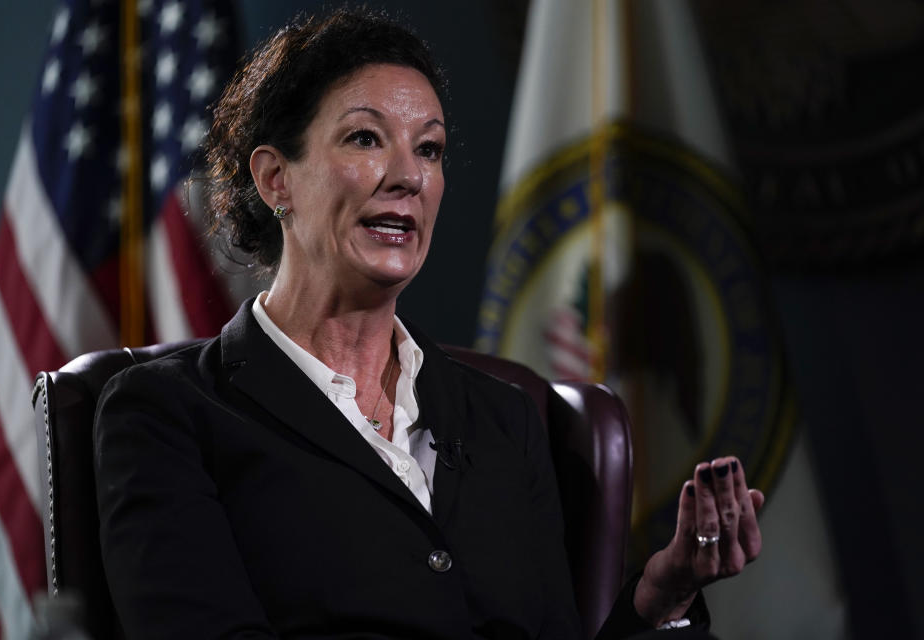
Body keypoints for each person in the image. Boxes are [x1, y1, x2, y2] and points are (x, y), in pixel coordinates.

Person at [94, 8, 763, 639]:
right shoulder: (163, 414)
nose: (408, 176)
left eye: (430, 149)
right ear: (275, 180)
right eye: (365, 138)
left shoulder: (507, 418)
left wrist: (661, 596)